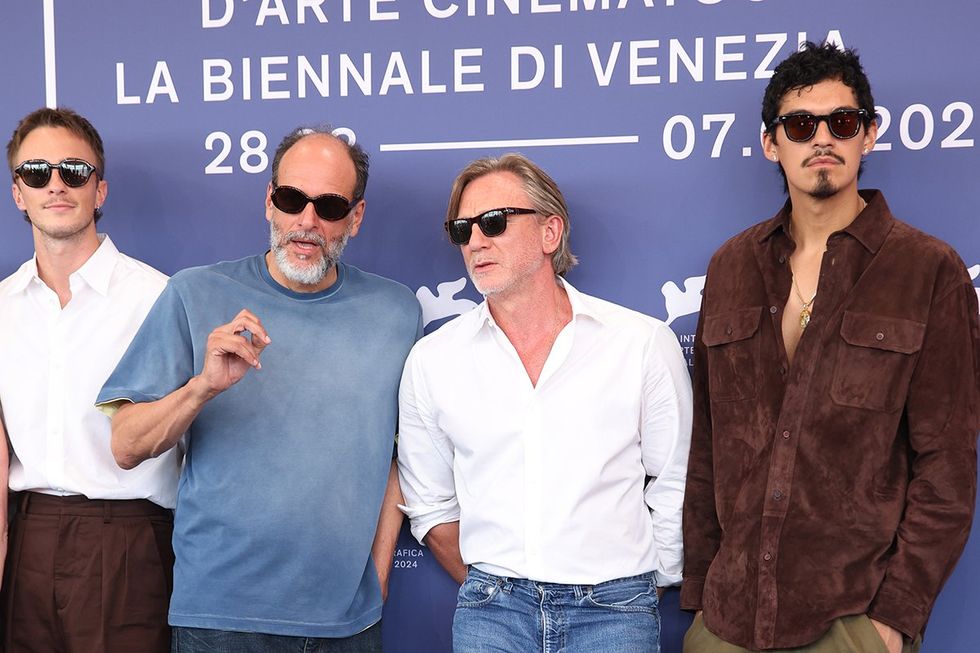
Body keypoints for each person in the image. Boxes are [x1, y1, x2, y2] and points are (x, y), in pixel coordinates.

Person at [681, 42, 980, 653]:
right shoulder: (731, 266)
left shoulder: (928, 270)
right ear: (772, 143)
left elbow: (947, 466)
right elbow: (708, 445)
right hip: (728, 620)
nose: (823, 138)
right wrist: (703, 594)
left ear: (868, 135)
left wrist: (893, 620)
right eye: (800, 125)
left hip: (849, 622)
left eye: (842, 122)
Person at [96, 126, 421, 652]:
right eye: (292, 199)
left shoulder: (397, 312)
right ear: (270, 201)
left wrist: (378, 576)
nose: (307, 221)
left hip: (348, 626)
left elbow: (397, 458)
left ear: (356, 218)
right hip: (220, 620)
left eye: (330, 206)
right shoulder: (194, 292)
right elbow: (126, 445)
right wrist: (201, 387)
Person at [397, 153, 693, 652]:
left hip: (614, 612)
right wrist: (490, 588)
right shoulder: (433, 359)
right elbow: (429, 502)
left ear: (550, 233)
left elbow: (677, 478)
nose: (476, 241)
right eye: (462, 229)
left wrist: (642, 585)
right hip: (492, 613)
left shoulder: (639, 342)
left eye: (494, 222)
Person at [0, 107, 176, 652]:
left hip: (129, 541)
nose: (55, 184)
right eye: (37, 172)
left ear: (98, 190)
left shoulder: (158, 299)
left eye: (73, 170)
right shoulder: (2, 308)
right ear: (17, 192)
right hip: (27, 537)